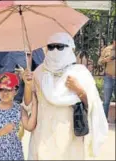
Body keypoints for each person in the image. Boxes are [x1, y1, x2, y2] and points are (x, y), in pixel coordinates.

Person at [23, 32, 108, 160]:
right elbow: (29, 103)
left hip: (69, 136)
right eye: (51, 47)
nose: (55, 50)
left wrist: (79, 90)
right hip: (43, 134)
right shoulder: (40, 72)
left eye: (60, 46)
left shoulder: (80, 73)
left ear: (70, 48)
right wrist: (28, 85)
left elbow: (93, 106)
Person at [0, 72, 38, 160]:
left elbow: (29, 126)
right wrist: (1, 132)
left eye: (8, 90)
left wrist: (35, 104)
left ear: (15, 91)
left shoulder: (19, 109)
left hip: (14, 156)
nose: (5, 93)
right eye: (1, 89)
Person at [98, 39, 116, 119]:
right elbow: (99, 61)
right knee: (106, 102)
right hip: (108, 77)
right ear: (113, 41)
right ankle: (104, 120)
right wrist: (106, 60)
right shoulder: (107, 49)